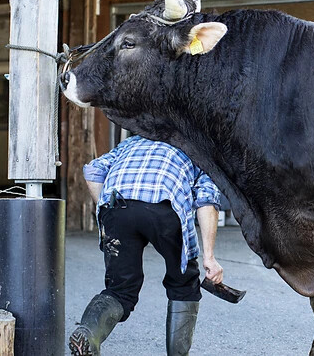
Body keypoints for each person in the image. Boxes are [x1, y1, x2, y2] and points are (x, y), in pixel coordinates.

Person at [69, 135, 224, 356]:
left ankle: (88, 333)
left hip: (117, 205)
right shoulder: (197, 147)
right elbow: (207, 200)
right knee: (183, 284)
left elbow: (93, 170)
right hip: (165, 207)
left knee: (120, 289)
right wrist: (209, 257)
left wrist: (108, 216)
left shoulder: (134, 142)